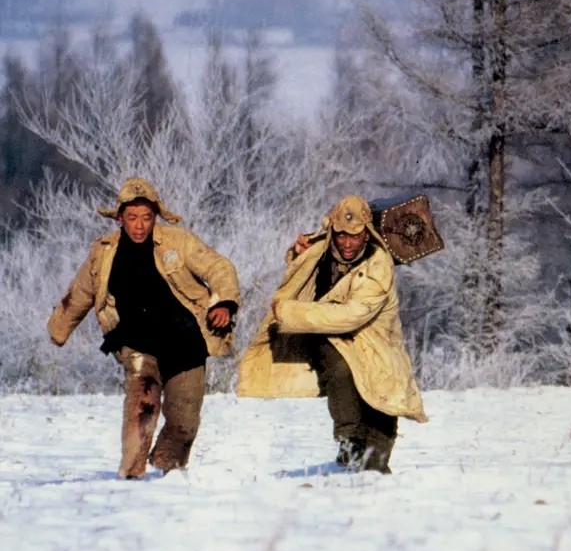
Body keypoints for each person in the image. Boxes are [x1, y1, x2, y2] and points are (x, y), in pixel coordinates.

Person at [47, 177, 240, 479]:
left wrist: (224, 303)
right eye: (132, 217)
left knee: (185, 423)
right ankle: (131, 474)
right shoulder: (104, 252)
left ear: (155, 217)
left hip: (185, 341)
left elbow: (219, 267)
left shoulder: (178, 241)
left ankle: (167, 470)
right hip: (134, 340)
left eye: (146, 217)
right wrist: (59, 330)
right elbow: (81, 292)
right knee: (142, 403)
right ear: (120, 218)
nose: (139, 225)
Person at [237, 194, 427, 473]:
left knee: (381, 413)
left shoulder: (379, 265)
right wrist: (297, 254)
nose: (347, 243)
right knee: (340, 369)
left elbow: (353, 315)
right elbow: (303, 265)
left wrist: (288, 313)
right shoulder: (323, 247)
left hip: (377, 345)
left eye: (355, 236)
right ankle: (349, 439)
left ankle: (372, 470)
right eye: (341, 235)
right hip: (330, 336)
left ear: (367, 234)